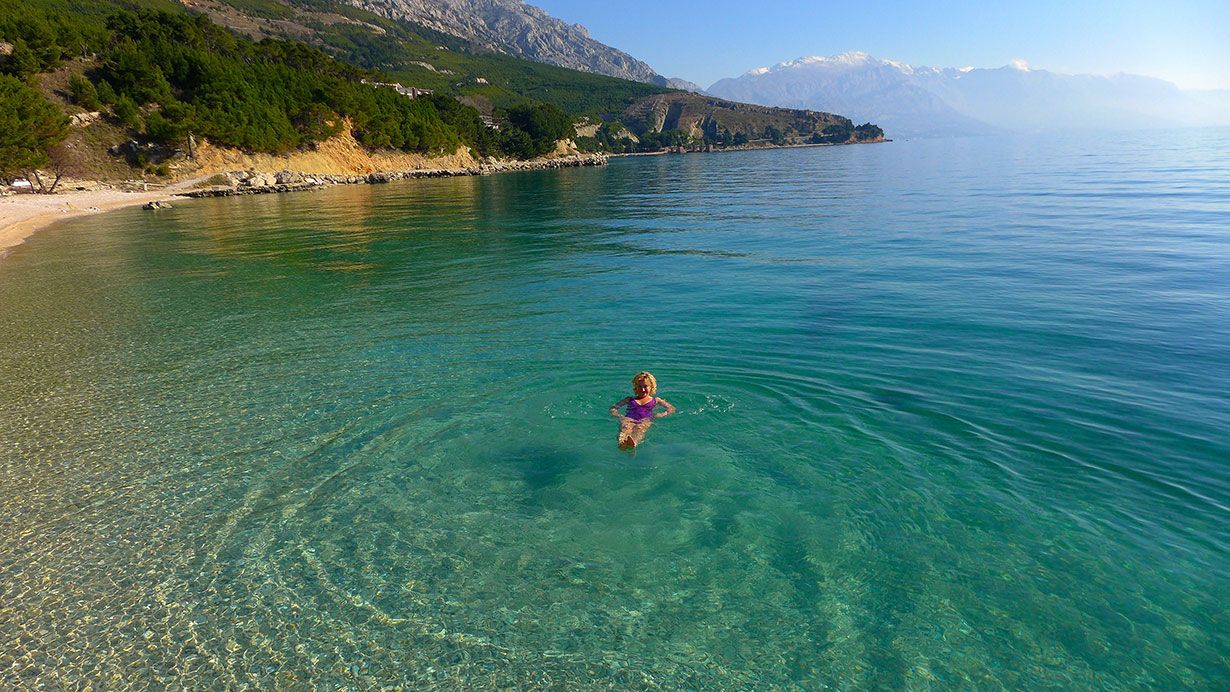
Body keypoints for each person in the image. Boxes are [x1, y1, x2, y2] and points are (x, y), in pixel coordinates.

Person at [609, 371, 676, 449]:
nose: (642, 389)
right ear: (635, 387)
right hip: (629, 418)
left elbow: (671, 408)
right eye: (640, 386)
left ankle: (634, 443)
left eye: (645, 386)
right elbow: (613, 408)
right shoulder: (629, 399)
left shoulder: (656, 400)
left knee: (640, 429)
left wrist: (661, 414)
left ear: (651, 387)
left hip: (645, 419)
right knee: (625, 427)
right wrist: (620, 416)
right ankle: (621, 442)